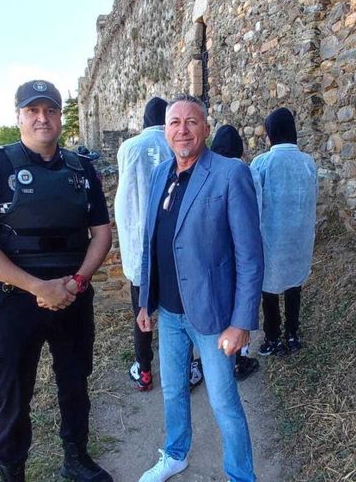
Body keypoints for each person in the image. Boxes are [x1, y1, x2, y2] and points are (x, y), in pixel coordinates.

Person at [0, 80, 113, 482]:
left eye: (51, 110)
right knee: (12, 393)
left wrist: (76, 281)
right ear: (19, 116)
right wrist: (37, 287)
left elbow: (102, 233)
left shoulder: (81, 168)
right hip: (15, 301)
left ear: (61, 116)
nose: (43, 118)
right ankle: (13, 473)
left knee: (75, 382)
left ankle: (76, 459)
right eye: (33, 110)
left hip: (73, 296)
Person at [136, 94, 264, 482]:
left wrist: (241, 322)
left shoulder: (229, 174)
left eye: (192, 122)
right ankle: (175, 454)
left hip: (213, 317)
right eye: (174, 123)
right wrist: (145, 301)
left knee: (224, 402)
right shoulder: (161, 174)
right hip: (170, 312)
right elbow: (151, 242)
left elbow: (250, 256)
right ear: (165, 131)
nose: (182, 130)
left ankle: (241, 475)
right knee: (174, 391)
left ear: (206, 129)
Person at [115, 97, 204, 392]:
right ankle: (188, 367)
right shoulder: (178, 143)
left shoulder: (129, 148)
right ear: (166, 122)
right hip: (172, 244)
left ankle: (144, 369)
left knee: (142, 312)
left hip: (138, 245)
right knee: (181, 309)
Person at [250, 107, 318, 357]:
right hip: (299, 236)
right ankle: (292, 333)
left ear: (270, 134)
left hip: (272, 238)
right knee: (294, 286)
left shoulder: (262, 163)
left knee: (269, 290)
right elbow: (313, 199)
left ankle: (272, 337)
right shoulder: (308, 163)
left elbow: (254, 204)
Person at [210, 124, 261, 380]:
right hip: (242, 251)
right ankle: (240, 358)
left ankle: (218, 354)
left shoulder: (208, 175)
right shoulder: (246, 173)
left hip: (218, 256)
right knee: (241, 304)